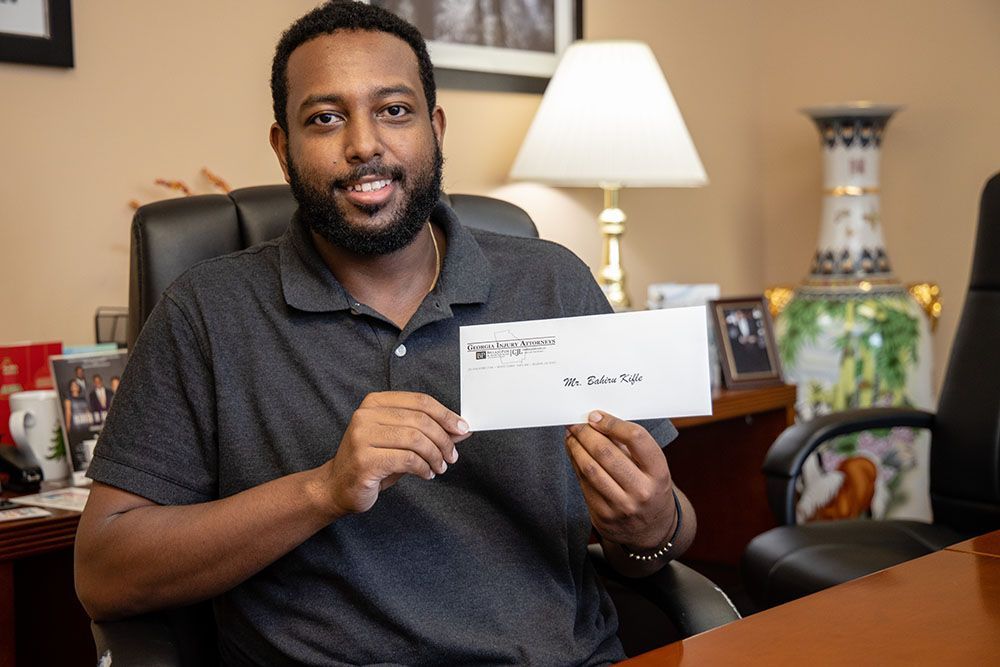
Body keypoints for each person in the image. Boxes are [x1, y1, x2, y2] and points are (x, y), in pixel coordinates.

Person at [75, 2, 696, 664]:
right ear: (283, 149)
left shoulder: (551, 284)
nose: (364, 144)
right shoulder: (206, 312)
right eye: (326, 118)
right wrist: (323, 490)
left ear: (435, 129)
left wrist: (650, 524)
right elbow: (104, 573)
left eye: (394, 111)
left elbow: (658, 538)